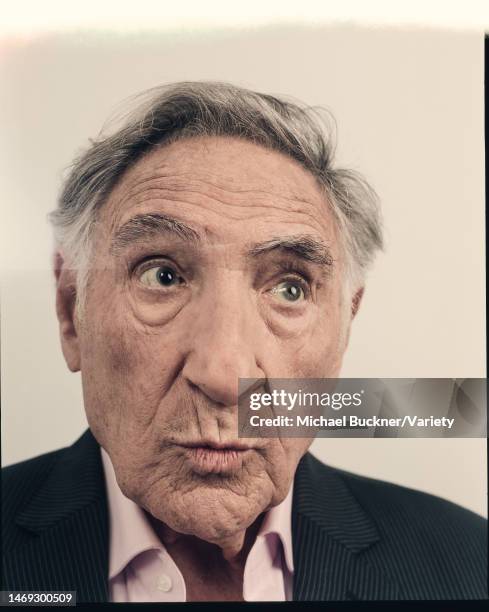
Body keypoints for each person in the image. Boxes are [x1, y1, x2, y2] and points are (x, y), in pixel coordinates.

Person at [2, 82, 486, 602]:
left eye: (289, 288)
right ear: (70, 310)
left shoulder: (470, 563)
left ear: (344, 329)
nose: (223, 375)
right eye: (162, 276)